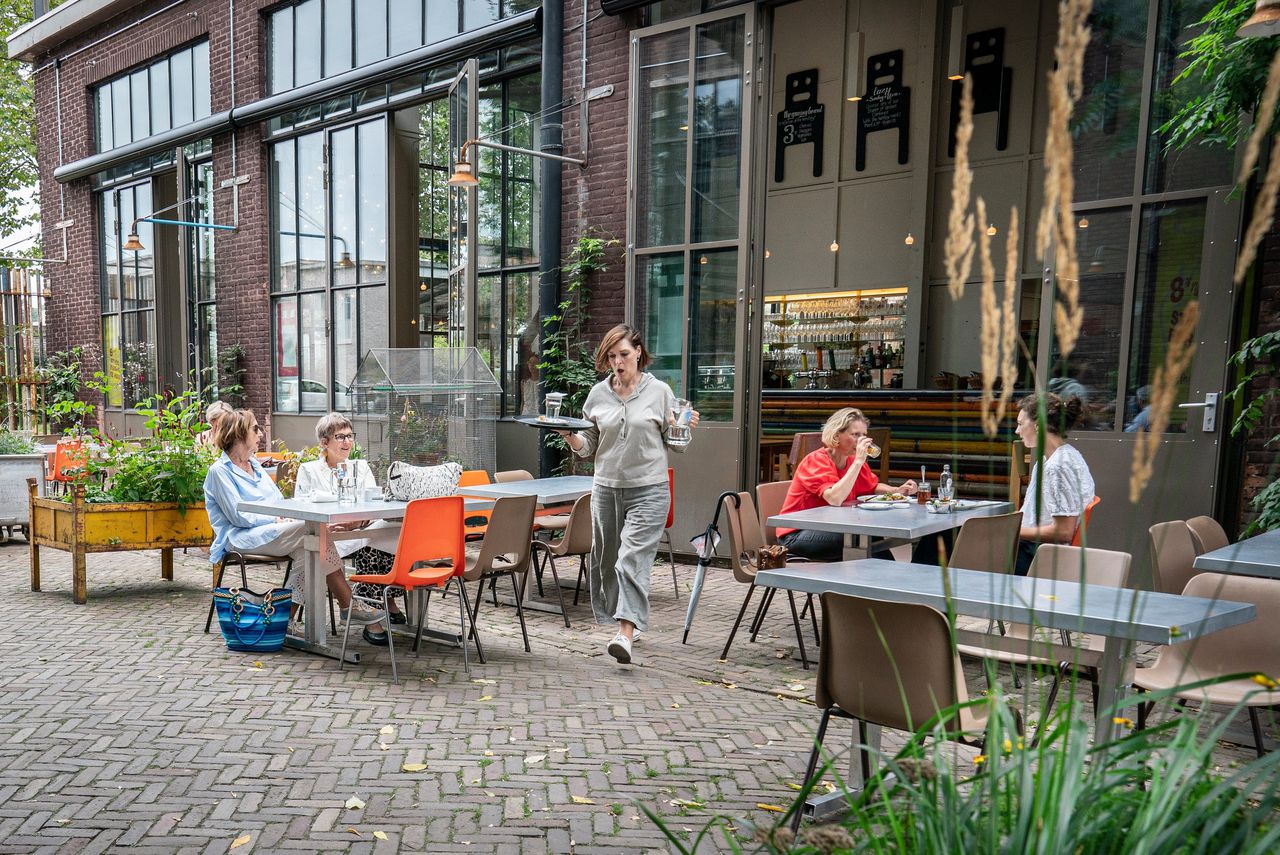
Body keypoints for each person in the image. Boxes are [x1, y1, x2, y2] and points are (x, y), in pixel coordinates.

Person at [557, 324, 698, 665]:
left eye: (623, 354)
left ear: (638, 352)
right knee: (606, 562)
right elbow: (587, 446)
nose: (618, 362)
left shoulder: (660, 392)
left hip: (649, 490)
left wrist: (683, 429)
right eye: (611, 356)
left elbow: (676, 445)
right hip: (606, 489)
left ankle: (625, 632)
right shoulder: (597, 395)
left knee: (630, 559)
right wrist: (567, 434)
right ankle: (629, 618)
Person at [202, 409, 388, 645]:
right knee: (314, 533)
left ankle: (284, 621)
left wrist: (282, 516)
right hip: (240, 538)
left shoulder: (255, 467)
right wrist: (276, 519)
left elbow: (278, 501)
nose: (260, 434)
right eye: (255, 429)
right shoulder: (219, 472)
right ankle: (349, 604)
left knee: (310, 551)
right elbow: (238, 517)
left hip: (270, 531)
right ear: (239, 434)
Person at [294, 413, 406, 624]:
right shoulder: (309, 470)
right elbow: (303, 508)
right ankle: (371, 613)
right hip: (331, 535)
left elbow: (374, 505)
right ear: (324, 442)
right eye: (340, 437)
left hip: (360, 530)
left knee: (392, 532)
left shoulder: (360, 467)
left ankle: (382, 599)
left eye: (349, 436)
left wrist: (357, 523)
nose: (347, 441)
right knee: (319, 545)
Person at [775, 407, 918, 562]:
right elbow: (834, 498)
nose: (862, 440)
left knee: (869, 536)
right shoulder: (816, 460)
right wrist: (858, 462)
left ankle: (893, 578)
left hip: (833, 528)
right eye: (855, 434)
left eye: (864, 435)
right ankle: (884, 580)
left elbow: (872, 487)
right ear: (837, 435)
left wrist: (896, 491)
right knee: (860, 538)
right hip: (796, 534)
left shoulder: (852, 460)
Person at [1013, 393, 1096, 574]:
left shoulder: (1057, 467)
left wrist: (1011, 530)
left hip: (1037, 554)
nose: (1016, 431)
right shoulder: (1063, 457)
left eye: (1020, 424)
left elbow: (1064, 531)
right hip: (1034, 547)